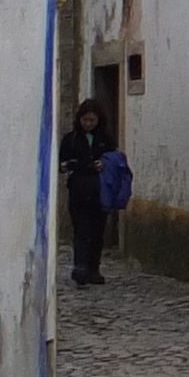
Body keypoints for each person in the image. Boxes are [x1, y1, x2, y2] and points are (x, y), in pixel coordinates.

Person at [60, 100, 114, 287]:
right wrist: (68, 166)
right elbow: (61, 162)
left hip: (100, 191)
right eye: (85, 120)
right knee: (81, 230)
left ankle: (94, 268)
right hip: (79, 189)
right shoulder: (71, 139)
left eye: (92, 120)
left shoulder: (106, 139)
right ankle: (80, 266)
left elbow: (114, 161)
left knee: (97, 231)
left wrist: (105, 165)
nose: (88, 124)